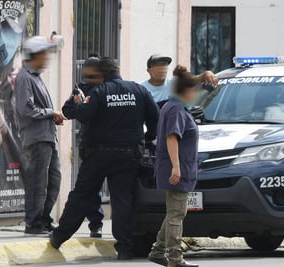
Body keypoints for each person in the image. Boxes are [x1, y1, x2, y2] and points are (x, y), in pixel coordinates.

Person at [50, 57, 159, 260]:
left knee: (82, 195)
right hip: (129, 155)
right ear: (117, 70)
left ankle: (58, 237)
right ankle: (125, 248)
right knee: (122, 200)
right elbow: (156, 117)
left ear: (102, 74)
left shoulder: (99, 92)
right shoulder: (138, 90)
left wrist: (77, 102)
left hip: (99, 155)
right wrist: (148, 137)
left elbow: (82, 115)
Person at [148, 65, 200, 267]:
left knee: (173, 213)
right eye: (194, 90)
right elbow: (172, 138)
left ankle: (158, 251)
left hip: (178, 167)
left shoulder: (172, 106)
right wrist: (176, 168)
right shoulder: (177, 110)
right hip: (177, 169)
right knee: (177, 215)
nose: (195, 94)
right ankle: (175, 258)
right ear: (185, 91)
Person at [14, 36, 64, 235]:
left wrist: (52, 115)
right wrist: (51, 113)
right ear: (33, 55)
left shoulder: (35, 76)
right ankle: (33, 224)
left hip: (47, 137)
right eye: (43, 54)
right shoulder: (24, 77)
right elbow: (25, 108)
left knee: (53, 181)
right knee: (37, 183)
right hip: (36, 139)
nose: (46, 59)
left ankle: (43, 220)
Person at [74, 53, 106, 238]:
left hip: (110, 145)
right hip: (91, 145)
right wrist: (79, 104)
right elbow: (69, 110)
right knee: (90, 189)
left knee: (119, 190)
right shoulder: (82, 89)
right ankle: (96, 224)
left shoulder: (108, 89)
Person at [140, 54, 217, 107]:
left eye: (164, 65)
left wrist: (205, 74)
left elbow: (196, 79)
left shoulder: (174, 83)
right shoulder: (141, 89)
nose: (162, 69)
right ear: (148, 70)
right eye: (157, 66)